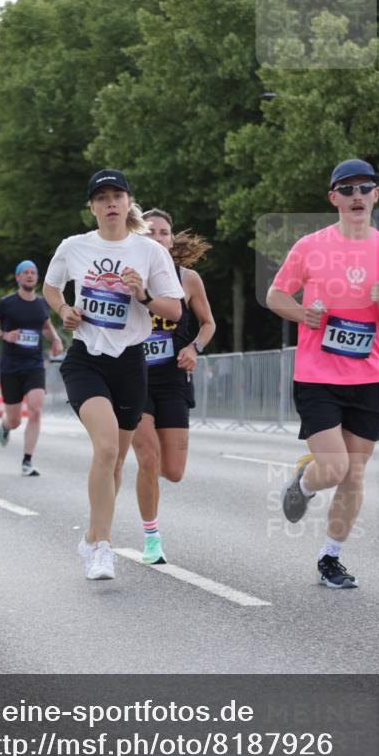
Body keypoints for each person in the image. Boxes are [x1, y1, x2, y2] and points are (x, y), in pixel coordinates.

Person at [266, 159, 379, 588]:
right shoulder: (310, 246)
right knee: (332, 468)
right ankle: (305, 481)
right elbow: (275, 294)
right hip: (316, 374)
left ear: (376, 195)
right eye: (346, 189)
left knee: (354, 474)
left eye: (364, 188)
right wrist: (303, 314)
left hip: (367, 378)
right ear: (333, 198)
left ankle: (329, 559)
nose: (356, 196)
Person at [43, 169, 184, 581]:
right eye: (101, 197)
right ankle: (102, 548)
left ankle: (91, 535)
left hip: (130, 364)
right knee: (106, 449)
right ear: (92, 207)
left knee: (118, 459)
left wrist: (141, 294)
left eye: (117, 196)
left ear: (128, 203)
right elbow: (53, 289)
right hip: (86, 358)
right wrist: (64, 309)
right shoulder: (73, 247)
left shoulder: (150, 252)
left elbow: (174, 310)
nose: (110, 204)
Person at [132, 209, 216, 563]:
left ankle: (148, 481)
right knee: (148, 459)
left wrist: (193, 347)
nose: (157, 238)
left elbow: (208, 323)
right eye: (149, 233)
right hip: (133, 377)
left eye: (163, 233)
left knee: (175, 472)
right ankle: (152, 538)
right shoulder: (127, 278)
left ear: (171, 240)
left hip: (172, 380)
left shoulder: (189, 279)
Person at [0, 261, 63, 476]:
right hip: (11, 367)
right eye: (25, 272)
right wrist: (4, 335)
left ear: (37, 278)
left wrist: (55, 340)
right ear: (18, 277)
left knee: (35, 411)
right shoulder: (6, 303)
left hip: (34, 364)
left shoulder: (42, 304)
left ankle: (27, 461)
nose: (29, 276)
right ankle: (6, 426)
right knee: (15, 419)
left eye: (33, 272)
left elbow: (45, 325)